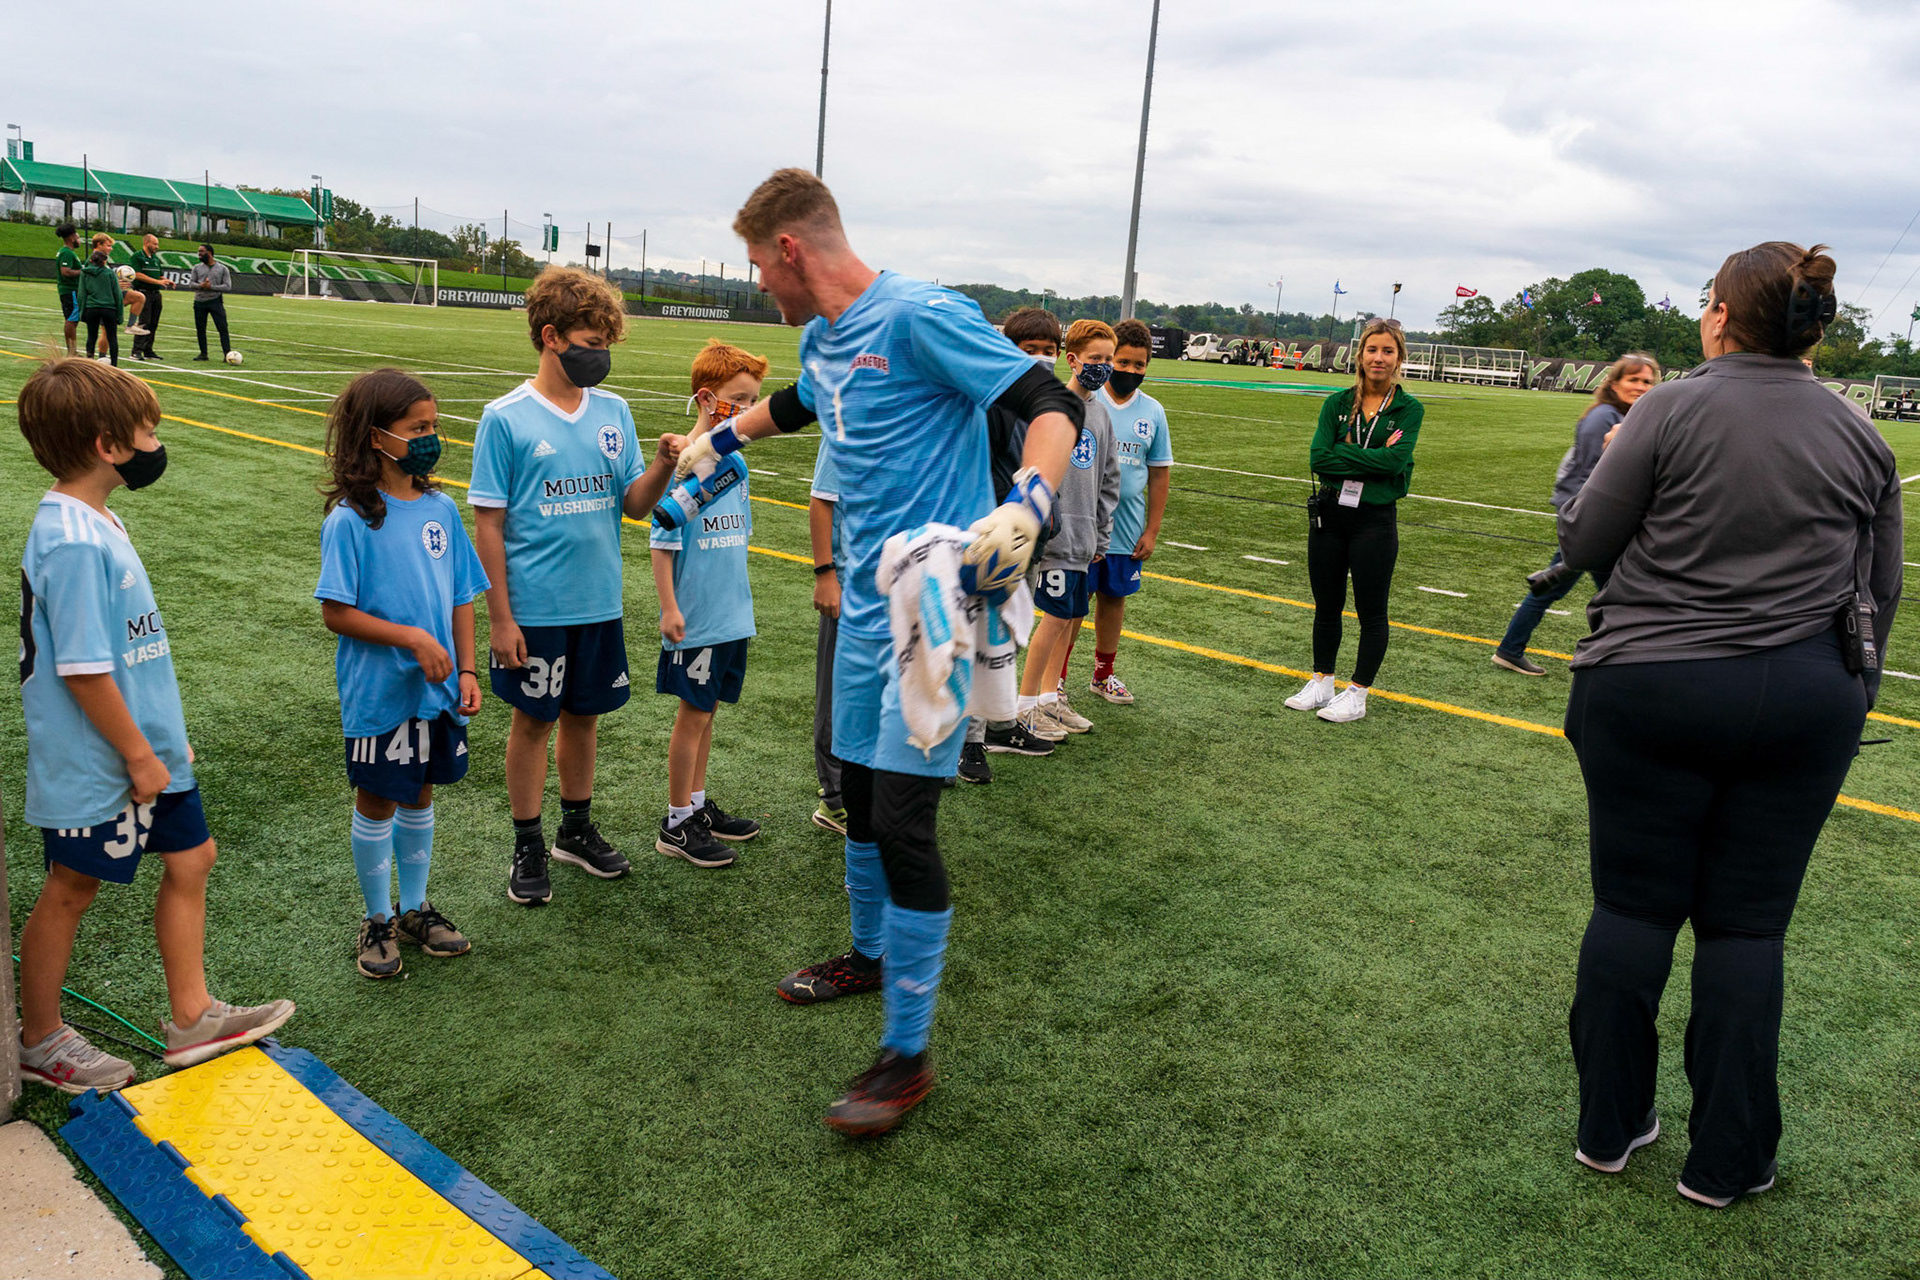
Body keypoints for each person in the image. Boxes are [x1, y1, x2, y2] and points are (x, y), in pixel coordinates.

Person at [674, 168, 1079, 1135]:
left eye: (757, 268)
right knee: (856, 796)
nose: (759, 290)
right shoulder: (823, 339)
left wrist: (1028, 502)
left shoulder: (919, 316)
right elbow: (803, 406)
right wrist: (717, 440)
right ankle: (867, 954)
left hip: (931, 614)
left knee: (903, 822)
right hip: (857, 613)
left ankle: (907, 1055)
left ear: (790, 251)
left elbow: (1051, 404)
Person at [1558, 243, 1903, 1208]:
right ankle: (1729, 1159)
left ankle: (1611, 1127)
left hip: (1653, 688)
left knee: (1631, 910)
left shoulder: (1666, 404)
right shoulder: (1861, 433)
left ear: (1719, 317)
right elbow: (1881, 594)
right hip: (1805, 700)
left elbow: (1585, 539)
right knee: (1748, 931)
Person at [13, 358, 295, 1093]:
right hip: (98, 760)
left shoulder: (99, 519)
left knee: (192, 858)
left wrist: (161, 740)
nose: (154, 443)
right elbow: (81, 668)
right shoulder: (72, 538)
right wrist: (138, 753)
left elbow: (126, 651)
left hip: (146, 749)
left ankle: (192, 1015)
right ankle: (39, 1039)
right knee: (73, 886)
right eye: (146, 431)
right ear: (109, 445)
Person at [468, 267, 682, 905]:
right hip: (535, 608)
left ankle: (576, 831)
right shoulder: (505, 417)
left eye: (608, 342)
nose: (602, 355)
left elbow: (635, 505)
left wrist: (665, 465)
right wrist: (500, 620)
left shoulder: (613, 411)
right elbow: (488, 525)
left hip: (599, 603)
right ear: (552, 336)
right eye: (592, 340)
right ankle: (527, 843)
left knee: (584, 718)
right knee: (533, 722)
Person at [317, 369, 488, 979]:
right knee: (379, 798)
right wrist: (412, 639)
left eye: (433, 427)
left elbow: (463, 595)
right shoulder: (351, 520)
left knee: (420, 791)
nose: (430, 438)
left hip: (437, 693)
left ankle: (415, 910)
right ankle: (376, 917)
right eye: (418, 428)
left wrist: (466, 668)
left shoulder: (440, 508)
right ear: (375, 437)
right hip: (380, 695)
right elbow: (336, 611)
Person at [650, 340, 767, 868]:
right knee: (692, 715)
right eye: (738, 400)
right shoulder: (688, 463)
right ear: (707, 399)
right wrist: (670, 607)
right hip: (695, 612)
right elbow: (661, 537)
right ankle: (676, 821)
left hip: (729, 611)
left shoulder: (733, 460)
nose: (747, 412)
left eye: (753, 401)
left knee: (709, 709)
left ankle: (696, 805)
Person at [1283, 317, 1423, 723]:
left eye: (1388, 351)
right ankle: (1322, 681)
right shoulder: (1337, 404)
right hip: (1329, 513)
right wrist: (1375, 459)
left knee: (1371, 610)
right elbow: (1318, 458)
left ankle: (1357, 693)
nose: (1379, 358)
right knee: (1326, 604)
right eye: (1372, 350)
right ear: (1359, 355)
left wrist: (1350, 454)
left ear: (1399, 358)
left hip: (1375, 519)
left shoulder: (1408, 409)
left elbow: (1396, 462)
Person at [1492, 354, 1659, 675]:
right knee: (1616, 593)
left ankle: (1511, 648)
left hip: (1593, 519)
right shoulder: (1605, 418)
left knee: (1561, 586)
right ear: (1614, 383)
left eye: (1647, 382)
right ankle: (1618, 660)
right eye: (1633, 380)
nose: (1640, 387)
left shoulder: (1617, 415)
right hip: (1591, 520)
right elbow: (1595, 476)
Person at [961, 306, 1064, 781]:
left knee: (1005, 637)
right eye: (1030, 351)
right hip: (1002, 538)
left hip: (1031, 537)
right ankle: (969, 742)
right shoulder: (1000, 403)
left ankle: (998, 724)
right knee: (981, 637)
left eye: (1049, 351)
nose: (1042, 359)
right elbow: (988, 471)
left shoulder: (1045, 403)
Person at [1011, 318, 1118, 743]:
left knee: (1072, 616)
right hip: (1053, 538)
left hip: (1084, 540)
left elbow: (1109, 480)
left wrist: (1101, 535)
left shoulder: (1102, 414)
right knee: (1053, 619)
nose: (1103, 366)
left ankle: (1049, 695)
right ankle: (1025, 706)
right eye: (1096, 358)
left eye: (1108, 359)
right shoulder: (1049, 406)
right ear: (1071, 359)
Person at [1086, 316, 1173, 704]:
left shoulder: (1153, 412)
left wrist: (1151, 530)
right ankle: (1055, 678)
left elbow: (1158, 474)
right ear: (1109, 360)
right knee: (1073, 604)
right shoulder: (1087, 402)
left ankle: (1103, 675)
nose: (1131, 371)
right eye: (1123, 362)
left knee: (1114, 598)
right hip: (1084, 527)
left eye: (1139, 365)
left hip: (1127, 529)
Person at [810, 432, 851, 826]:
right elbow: (822, 500)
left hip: (895, 584)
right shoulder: (847, 425)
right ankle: (835, 798)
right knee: (838, 692)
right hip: (851, 584)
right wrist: (825, 574)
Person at [127, 232, 175, 362]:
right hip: (143, 293)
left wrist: (165, 280)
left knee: (153, 323)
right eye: (154, 243)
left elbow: (158, 276)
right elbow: (137, 274)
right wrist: (158, 282)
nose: (157, 246)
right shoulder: (137, 256)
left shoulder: (155, 259)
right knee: (144, 322)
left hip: (155, 294)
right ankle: (136, 351)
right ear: (146, 243)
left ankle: (148, 350)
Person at [75, 243, 124, 367]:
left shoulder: (85, 273)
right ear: (104, 261)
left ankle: (89, 361)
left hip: (92, 308)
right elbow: (117, 294)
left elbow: (81, 294)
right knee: (112, 337)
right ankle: (114, 365)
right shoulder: (110, 274)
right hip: (109, 308)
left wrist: (82, 312)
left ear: (91, 260)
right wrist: (120, 314)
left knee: (91, 336)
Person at [187, 245, 234, 361]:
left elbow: (227, 286)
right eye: (199, 251)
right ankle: (203, 354)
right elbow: (191, 284)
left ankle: (227, 354)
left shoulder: (222, 269)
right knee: (200, 328)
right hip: (199, 302)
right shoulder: (197, 268)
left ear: (210, 252)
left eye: (202, 251)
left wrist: (211, 287)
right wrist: (201, 286)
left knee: (222, 328)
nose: (199, 254)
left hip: (215, 302)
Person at [54, 223, 83, 357]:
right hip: (70, 290)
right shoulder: (66, 253)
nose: (79, 239)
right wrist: (83, 272)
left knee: (72, 318)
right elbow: (65, 272)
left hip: (71, 290)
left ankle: (72, 350)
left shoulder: (69, 253)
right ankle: (72, 351)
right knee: (71, 319)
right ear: (72, 238)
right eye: (77, 236)